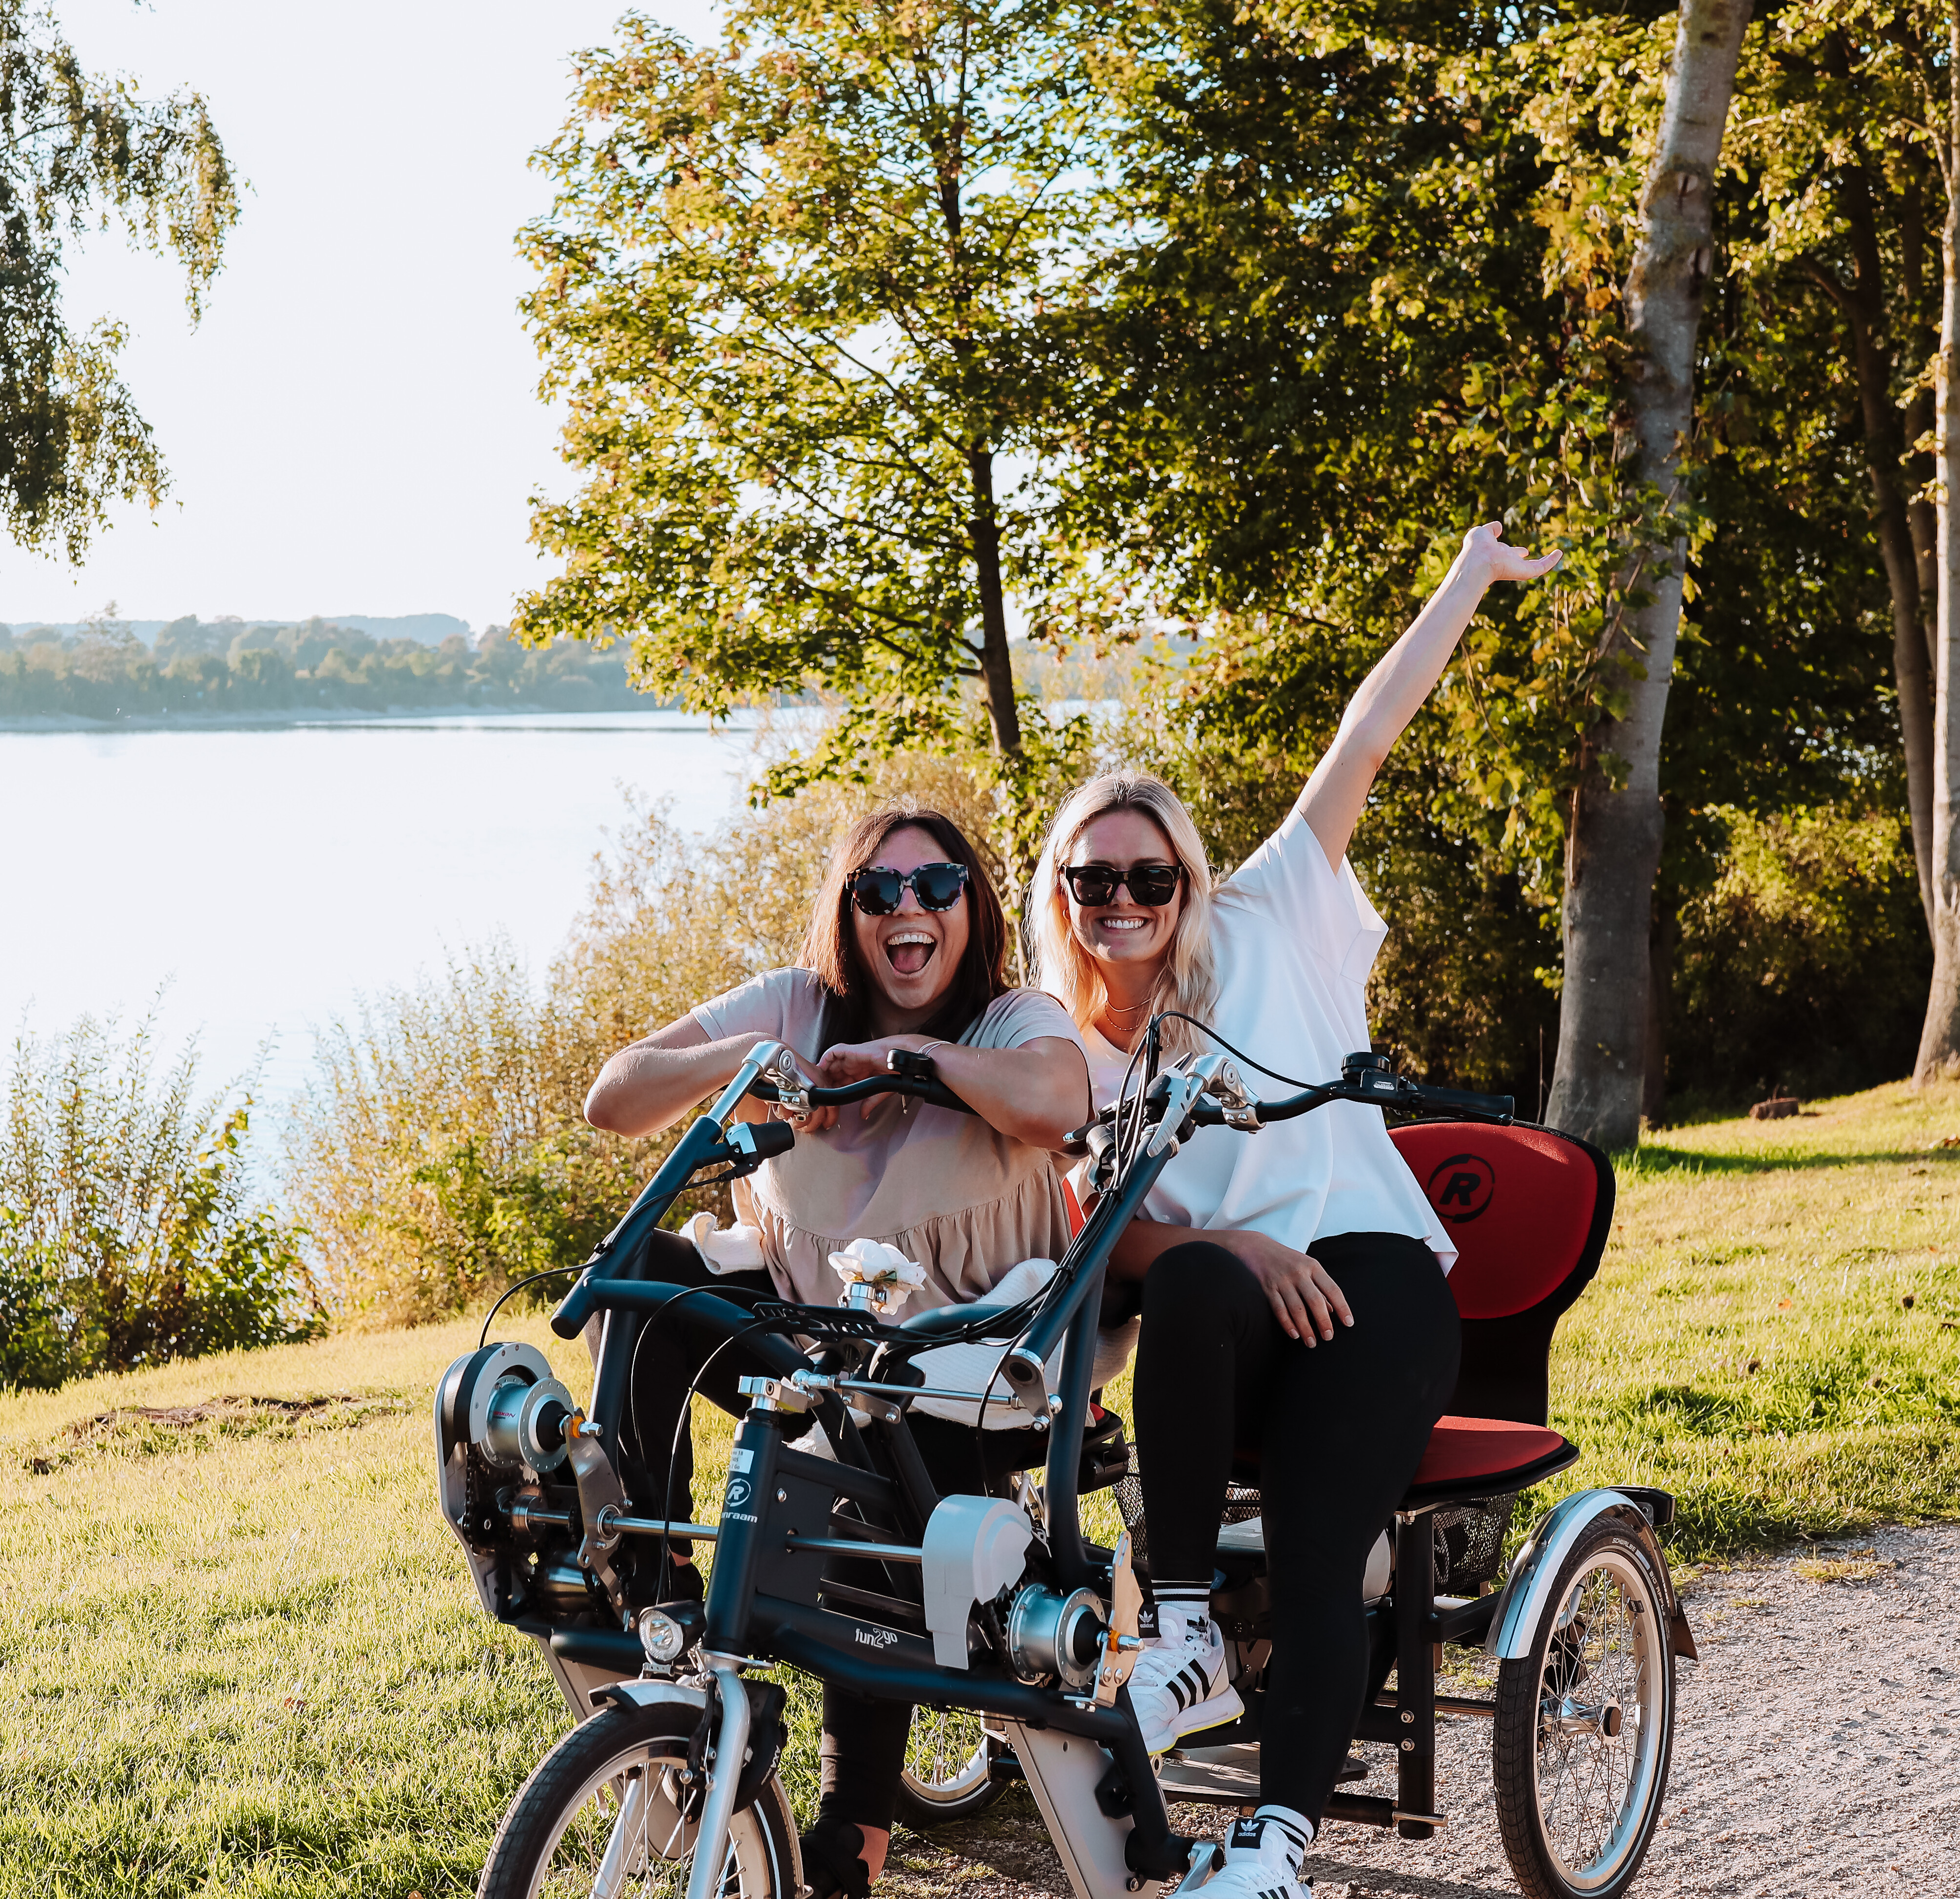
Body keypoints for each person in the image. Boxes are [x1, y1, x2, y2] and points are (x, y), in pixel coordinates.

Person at [1024, 523, 1562, 1899]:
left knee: (1328, 1544)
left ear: (1189, 881)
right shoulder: (1075, 1061)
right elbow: (1109, 1240)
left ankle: (1272, 1849)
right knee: (1194, 1273)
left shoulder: (1270, 914)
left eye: (1149, 875)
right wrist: (1235, 1246)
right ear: (1063, 899)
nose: (1124, 900)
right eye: (1093, 880)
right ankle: (1187, 1628)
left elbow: (1364, 732)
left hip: (1374, 1293)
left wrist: (1461, 578)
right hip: (1235, 1336)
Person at [585, 805, 1090, 1899]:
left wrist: (908, 1059)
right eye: (879, 890)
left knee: (874, 1485)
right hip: (812, 1329)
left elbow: (1061, 1100)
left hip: (964, 1369)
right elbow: (612, 1095)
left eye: (936, 884)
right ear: (849, 911)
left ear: (972, 901)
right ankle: (652, 1579)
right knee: (654, 1274)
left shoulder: (1010, 1018)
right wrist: (749, 1057)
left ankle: (851, 1840)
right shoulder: (795, 1003)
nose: (908, 907)